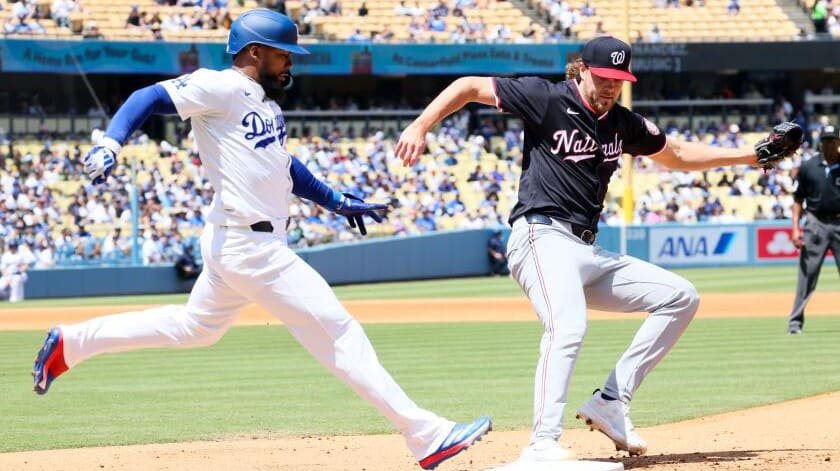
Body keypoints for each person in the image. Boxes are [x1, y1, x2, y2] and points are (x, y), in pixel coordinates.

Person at [31, 9, 490, 470]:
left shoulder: (265, 105)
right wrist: (111, 143)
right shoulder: (223, 87)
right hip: (250, 247)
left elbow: (283, 167)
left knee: (195, 329)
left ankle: (72, 343)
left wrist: (336, 200)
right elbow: (146, 96)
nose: (291, 62)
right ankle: (425, 434)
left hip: (238, 242)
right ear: (255, 52)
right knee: (339, 330)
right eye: (284, 53)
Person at [395, 36, 799, 467]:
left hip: (587, 251)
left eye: (619, 80)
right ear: (583, 69)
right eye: (605, 77)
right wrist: (420, 125)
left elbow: (677, 153)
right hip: (540, 236)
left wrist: (747, 156)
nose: (611, 87)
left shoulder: (622, 123)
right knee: (568, 327)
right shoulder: (545, 98)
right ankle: (542, 445)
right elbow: (468, 86)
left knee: (680, 297)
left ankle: (611, 401)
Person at [786, 124, 840, 335]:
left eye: (832, 140)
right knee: (806, 275)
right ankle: (795, 324)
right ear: (821, 143)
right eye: (825, 141)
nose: (829, 145)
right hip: (815, 222)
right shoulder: (809, 167)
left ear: (838, 142)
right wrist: (795, 229)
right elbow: (798, 200)